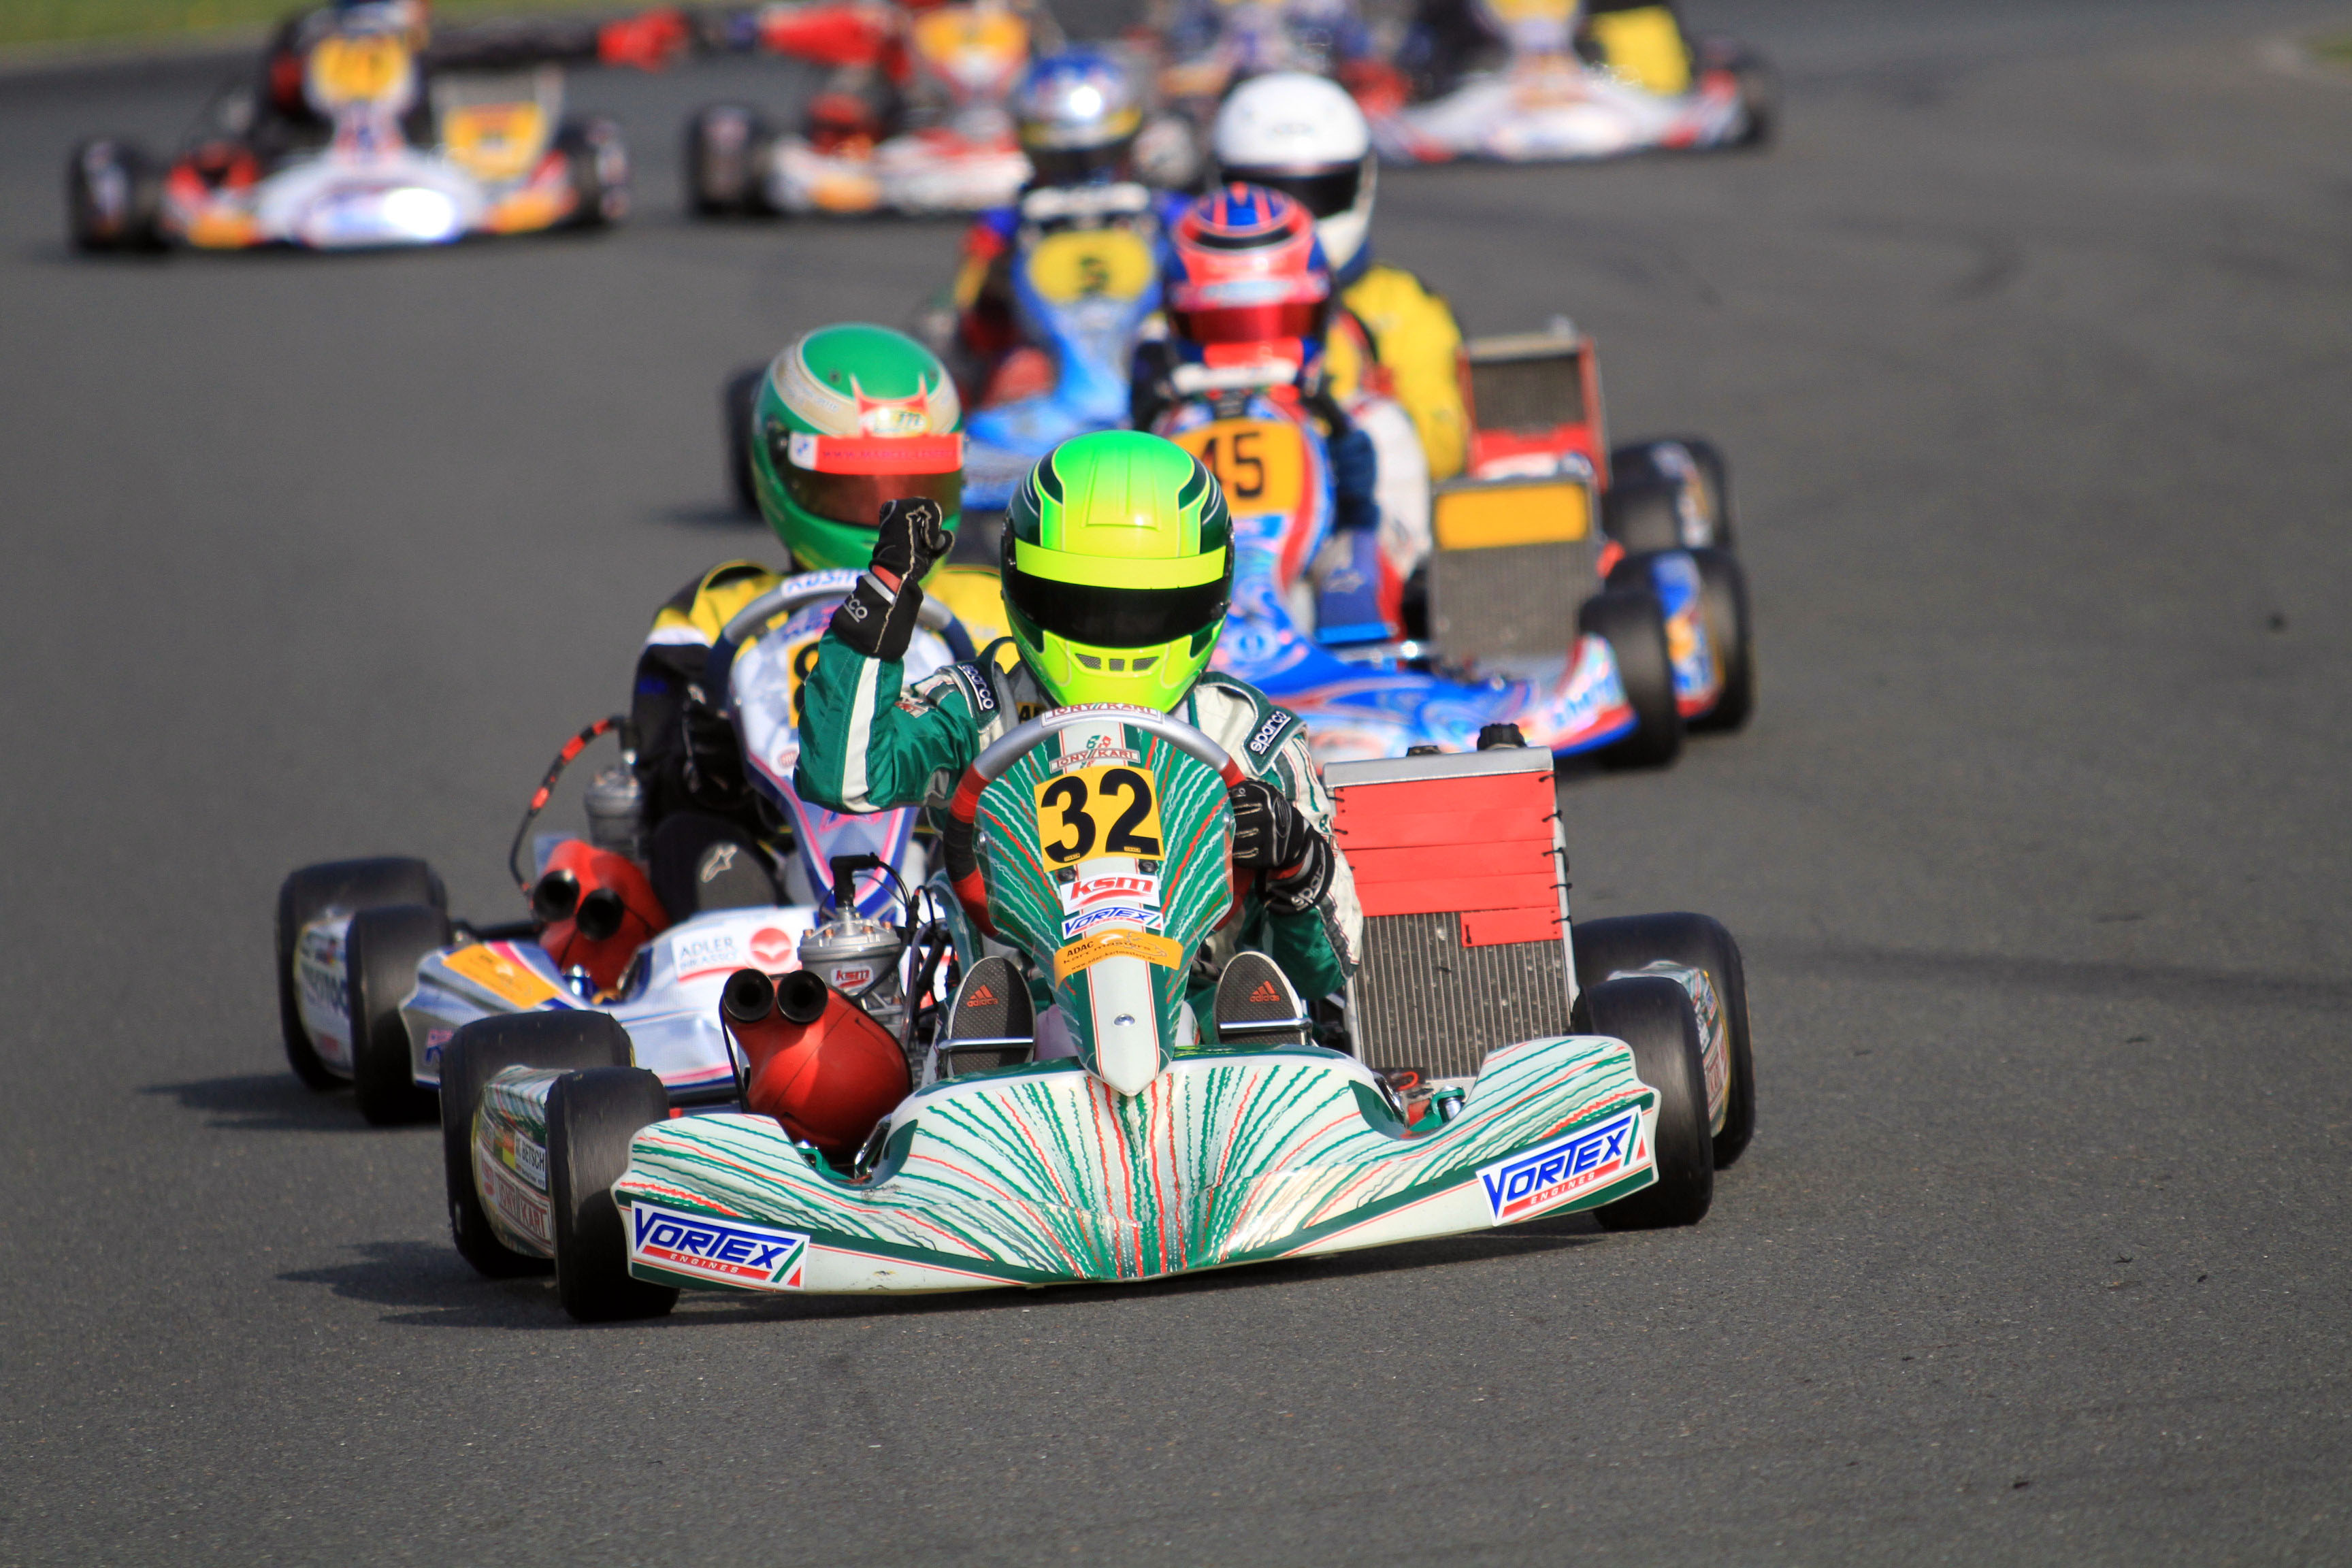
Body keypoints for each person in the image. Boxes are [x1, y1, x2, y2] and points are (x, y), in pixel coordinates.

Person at [795, 430, 1362, 1027]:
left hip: (1210, 1034)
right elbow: (845, 778)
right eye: (1085, 603)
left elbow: (1326, 971)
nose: (1117, 625)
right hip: (1013, 1033)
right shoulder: (980, 708)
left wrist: (1296, 860)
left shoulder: (1247, 735)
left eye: (1149, 606)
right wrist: (880, 603)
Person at [627, 323, 996, 919]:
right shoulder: (715, 611)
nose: (890, 526)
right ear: (782, 469)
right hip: (770, 863)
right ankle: (730, 939)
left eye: (915, 491)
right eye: (858, 489)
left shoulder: (989, 607)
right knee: (683, 842)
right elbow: (656, 781)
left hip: (948, 850)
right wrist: (703, 764)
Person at [1210, 71, 1468, 484]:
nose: (1299, 219)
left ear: (1360, 183)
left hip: (1367, 505)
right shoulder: (1184, 309)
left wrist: (1335, 425)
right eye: (1273, 199)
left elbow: (1443, 446)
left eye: (1318, 194)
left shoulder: (1405, 305)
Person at [932, 45, 1186, 406]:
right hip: (1043, 382)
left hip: (1152, 363)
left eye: (1096, 156)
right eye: (1064, 161)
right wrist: (995, 285)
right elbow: (971, 326)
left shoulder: (1169, 214)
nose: (1080, 177)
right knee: (1002, 365)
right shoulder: (1003, 226)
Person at [1131, 183, 1382, 540]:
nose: (1249, 351)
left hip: (1321, 563)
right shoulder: (1162, 422)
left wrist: (1354, 495)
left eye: (1280, 318)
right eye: (1222, 324)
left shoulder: (1358, 419)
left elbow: (1397, 537)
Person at [243, 0, 686, 161]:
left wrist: (607, 41)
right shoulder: (308, 35)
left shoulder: (422, 43)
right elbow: (261, 116)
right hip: (310, 150)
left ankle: (401, 154)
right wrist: (291, 86)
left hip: (417, 152)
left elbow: (510, 45)